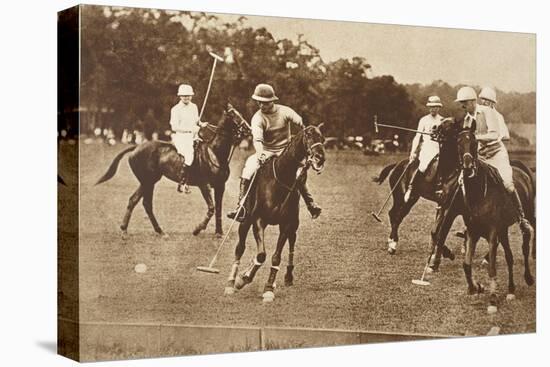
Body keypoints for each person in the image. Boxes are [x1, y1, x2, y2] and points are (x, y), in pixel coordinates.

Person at [227, 83, 321, 222]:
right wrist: (260, 154)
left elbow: (302, 124)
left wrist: (309, 131)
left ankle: (310, 204)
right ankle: (241, 207)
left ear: (272, 101)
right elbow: (257, 140)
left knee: (298, 173)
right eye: (259, 102)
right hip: (266, 151)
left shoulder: (285, 111)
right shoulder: (257, 118)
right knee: (248, 169)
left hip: (286, 151)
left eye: (264, 102)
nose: (261, 105)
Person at [455, 86, 532, 234]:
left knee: (508, 184)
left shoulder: (488, 113)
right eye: (461, 102)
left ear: (472, 101)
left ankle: (521, 219)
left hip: (496, 154)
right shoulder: (466, 119)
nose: (462, 105)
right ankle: (469, 221)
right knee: (462, 182)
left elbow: (495, 134)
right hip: (481, 156)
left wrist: (475, 137)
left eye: (464, 102)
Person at [404, 95, 444, 202]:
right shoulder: (424, 120)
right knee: (423, 165)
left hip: (439, 148)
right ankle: (411, 187)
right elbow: (417, 137)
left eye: (435, 107)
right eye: (431, 107)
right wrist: (413, 152)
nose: (433, 109)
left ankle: (442, 189)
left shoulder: (442, 120)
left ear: (439, 107)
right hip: (427, 148)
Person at [170, 84, 207, 193]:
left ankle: (199, 177)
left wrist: (201, 124)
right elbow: (174, 127)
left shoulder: (194, 107)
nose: (187, 98)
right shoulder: (175, 109)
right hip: (181, 137)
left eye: (189, 96)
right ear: (180, 96)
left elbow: (196, 121)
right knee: (189, 156)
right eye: (184, 96)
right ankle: (182, 183)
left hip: (194, 136)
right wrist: (190, 130)